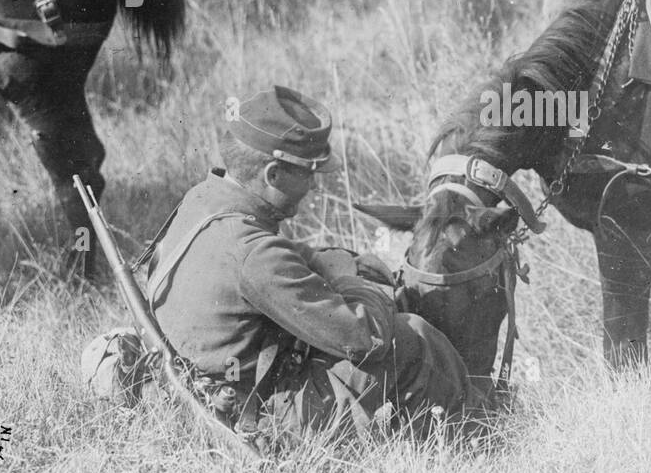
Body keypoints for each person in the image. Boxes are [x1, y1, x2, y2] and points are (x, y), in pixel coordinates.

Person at [132, 85, 481, 446]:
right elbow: (368, 337)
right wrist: (353, 279)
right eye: (308, 173)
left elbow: (270, 250)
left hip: (207, 384)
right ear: (272, 175)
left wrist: (324, 260)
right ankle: (477, 437)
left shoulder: (204, 198)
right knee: (412, 338)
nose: (314, 185)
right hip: (256, 416)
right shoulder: (255, 256)